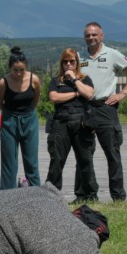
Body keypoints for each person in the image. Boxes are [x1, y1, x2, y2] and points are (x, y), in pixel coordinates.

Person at [77, 22, 127, 202]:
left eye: (94, 34)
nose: (91, 38)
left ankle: (118, 196)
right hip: (85, 108)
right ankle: (87, 195)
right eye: (87, 35)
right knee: (84, 154)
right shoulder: (79, 57)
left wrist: (123, 93)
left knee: (112, 154)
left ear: (102, 36)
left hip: (106, 107)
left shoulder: (112, 54)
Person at [46, 49, 98, 201]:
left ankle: (89, 195)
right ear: (61, 63)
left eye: (72, 61)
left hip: (81, 123)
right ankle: (51, 196)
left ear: (77, 63)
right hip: (61, 123)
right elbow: (54, 97)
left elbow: (89, 94)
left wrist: (75, 80)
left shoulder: (84, 79)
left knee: (85, 160)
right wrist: (75, 94)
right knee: (57, 160)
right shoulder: (56, 81)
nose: (68, 64)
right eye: (65, 61)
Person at [0, 47, 42, 190]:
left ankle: (36, 194)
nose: (19, 73)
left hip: (29, 119)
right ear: (10, 68)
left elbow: (35, 100)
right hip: (9, 120)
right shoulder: (3, 82)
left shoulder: (34, 79)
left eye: (22, 69)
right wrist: (11, 116)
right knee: (9, 162)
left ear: (26, 66)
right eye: (15, 70)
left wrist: (27, 114)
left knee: (31, 161)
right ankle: (7, 195)